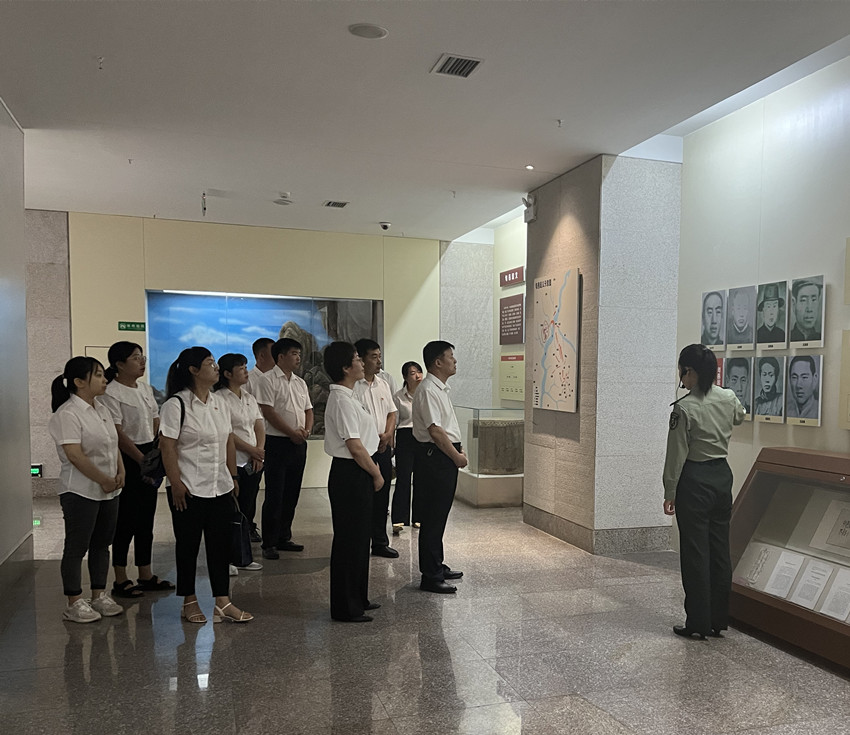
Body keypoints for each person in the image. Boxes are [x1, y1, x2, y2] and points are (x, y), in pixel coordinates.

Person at [160, 346, 253, 624]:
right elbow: (167, 446)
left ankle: (223, 602)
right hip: (188, 488)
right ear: (193, 370)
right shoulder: (176, 405)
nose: (215, 368)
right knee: (188, 546)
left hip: (219, 485)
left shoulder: (219, 402)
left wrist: (232, 476)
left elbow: (228, 441)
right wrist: (175, 483)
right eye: (210, 363)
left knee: (220, 546)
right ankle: (188, 601)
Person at [663, 344, 745, 639]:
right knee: (720, 550)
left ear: (690, 372)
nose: (681, 378)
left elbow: (676, 455)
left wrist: (670, 491)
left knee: (695, 552)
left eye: (682, 372)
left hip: (694, 479)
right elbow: (740, 416)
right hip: (722, 477)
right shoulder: (728, 397)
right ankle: (718, 619)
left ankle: (698, 621)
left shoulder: (684, 408)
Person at [49, 356, 125, 623]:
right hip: (80, 490)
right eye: (99, 375)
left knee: (102, 544)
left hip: (109, 489)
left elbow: (113, 444)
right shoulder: (67, 413)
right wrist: (103, 479)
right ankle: (73, 602)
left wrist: (120, 471)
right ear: (80, 382)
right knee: (76, 546)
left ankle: (99, 595)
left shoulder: (102, 408)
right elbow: (75, 455)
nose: (105, 379)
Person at [101, 341, 174, 599]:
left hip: (148, 453)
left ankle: (145, 574)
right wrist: (141, 459)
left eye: (142, 356)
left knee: (146, 519)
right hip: (127, 457)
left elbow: (155, 419)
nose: (142, 361)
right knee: (126, 520)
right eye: (135, 357)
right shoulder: (110, 392)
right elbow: (118, 433)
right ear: (119, 364)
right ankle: (120, 578)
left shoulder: (144, 388)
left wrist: (156, 452)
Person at [322, 342, 384, 622]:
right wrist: (377, 474)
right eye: (357, 359)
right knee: (349, 540)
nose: (362, 363)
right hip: (351, 473)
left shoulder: (350, 395)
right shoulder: (341, 400)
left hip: (359, 470)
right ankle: (346, 607)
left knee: (360, 539)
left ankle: (359, 598)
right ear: (346, 368)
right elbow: (355, 447)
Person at [413, 341, 467, 594]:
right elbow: (435, 431)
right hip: (436, 457)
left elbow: (446, 427)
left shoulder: (440, 388)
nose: (454, 361)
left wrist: (458, 450)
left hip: (443, 455)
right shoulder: (428, 390)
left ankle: (437, 564)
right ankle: (430, 576)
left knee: (439, 515)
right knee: (433, 517)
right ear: (437, 362)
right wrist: (456, 457)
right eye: (450, 357)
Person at [254, 337, 313, 560]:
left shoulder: (300, 382)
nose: (298, 358)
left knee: (292, 492)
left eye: (299, 354)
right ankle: (269, 542)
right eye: (294, 354)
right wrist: (291, 432)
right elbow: (268, 412)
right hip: (277, 442)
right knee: (275, 494)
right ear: (281, 356)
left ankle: (284, 537)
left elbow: (308, 410)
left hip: (299, 443)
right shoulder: (267, 380)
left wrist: (306, 430)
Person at [215, 353, 265, 568]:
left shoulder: (248, 397)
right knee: (230, 510)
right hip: (233, 461)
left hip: (253, 462)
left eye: (246, 366)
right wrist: (252, 450)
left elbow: (259, 425)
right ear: (227, 374)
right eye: (241, 368)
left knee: (247, 508)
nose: (246, 371)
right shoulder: (220, 398)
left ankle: (243, 557)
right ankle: (228, 559)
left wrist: (259, 451)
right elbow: (228, 434)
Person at [354, 338, 399, 558]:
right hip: (363, 450)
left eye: (379, 356)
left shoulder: (383, 383)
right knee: (363, 499)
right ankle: (360, 543)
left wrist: (388, 434)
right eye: (374, 356)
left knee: (382, 498)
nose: (379, 361)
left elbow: (392, 412)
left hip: (382, 448)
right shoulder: (353, 387)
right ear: (361, 359)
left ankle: (380, 542)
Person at [391, 361, 424, 534]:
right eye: (412, 373)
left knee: (421, 478)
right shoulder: (398, 397)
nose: (417, 376)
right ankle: (398, 519)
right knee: (403, 478)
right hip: (405, 437)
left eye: (419, 372)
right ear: (405, 377)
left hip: (422, 437)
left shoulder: (425, 394)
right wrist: (391, 443)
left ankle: (418, 517)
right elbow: (394, 422)